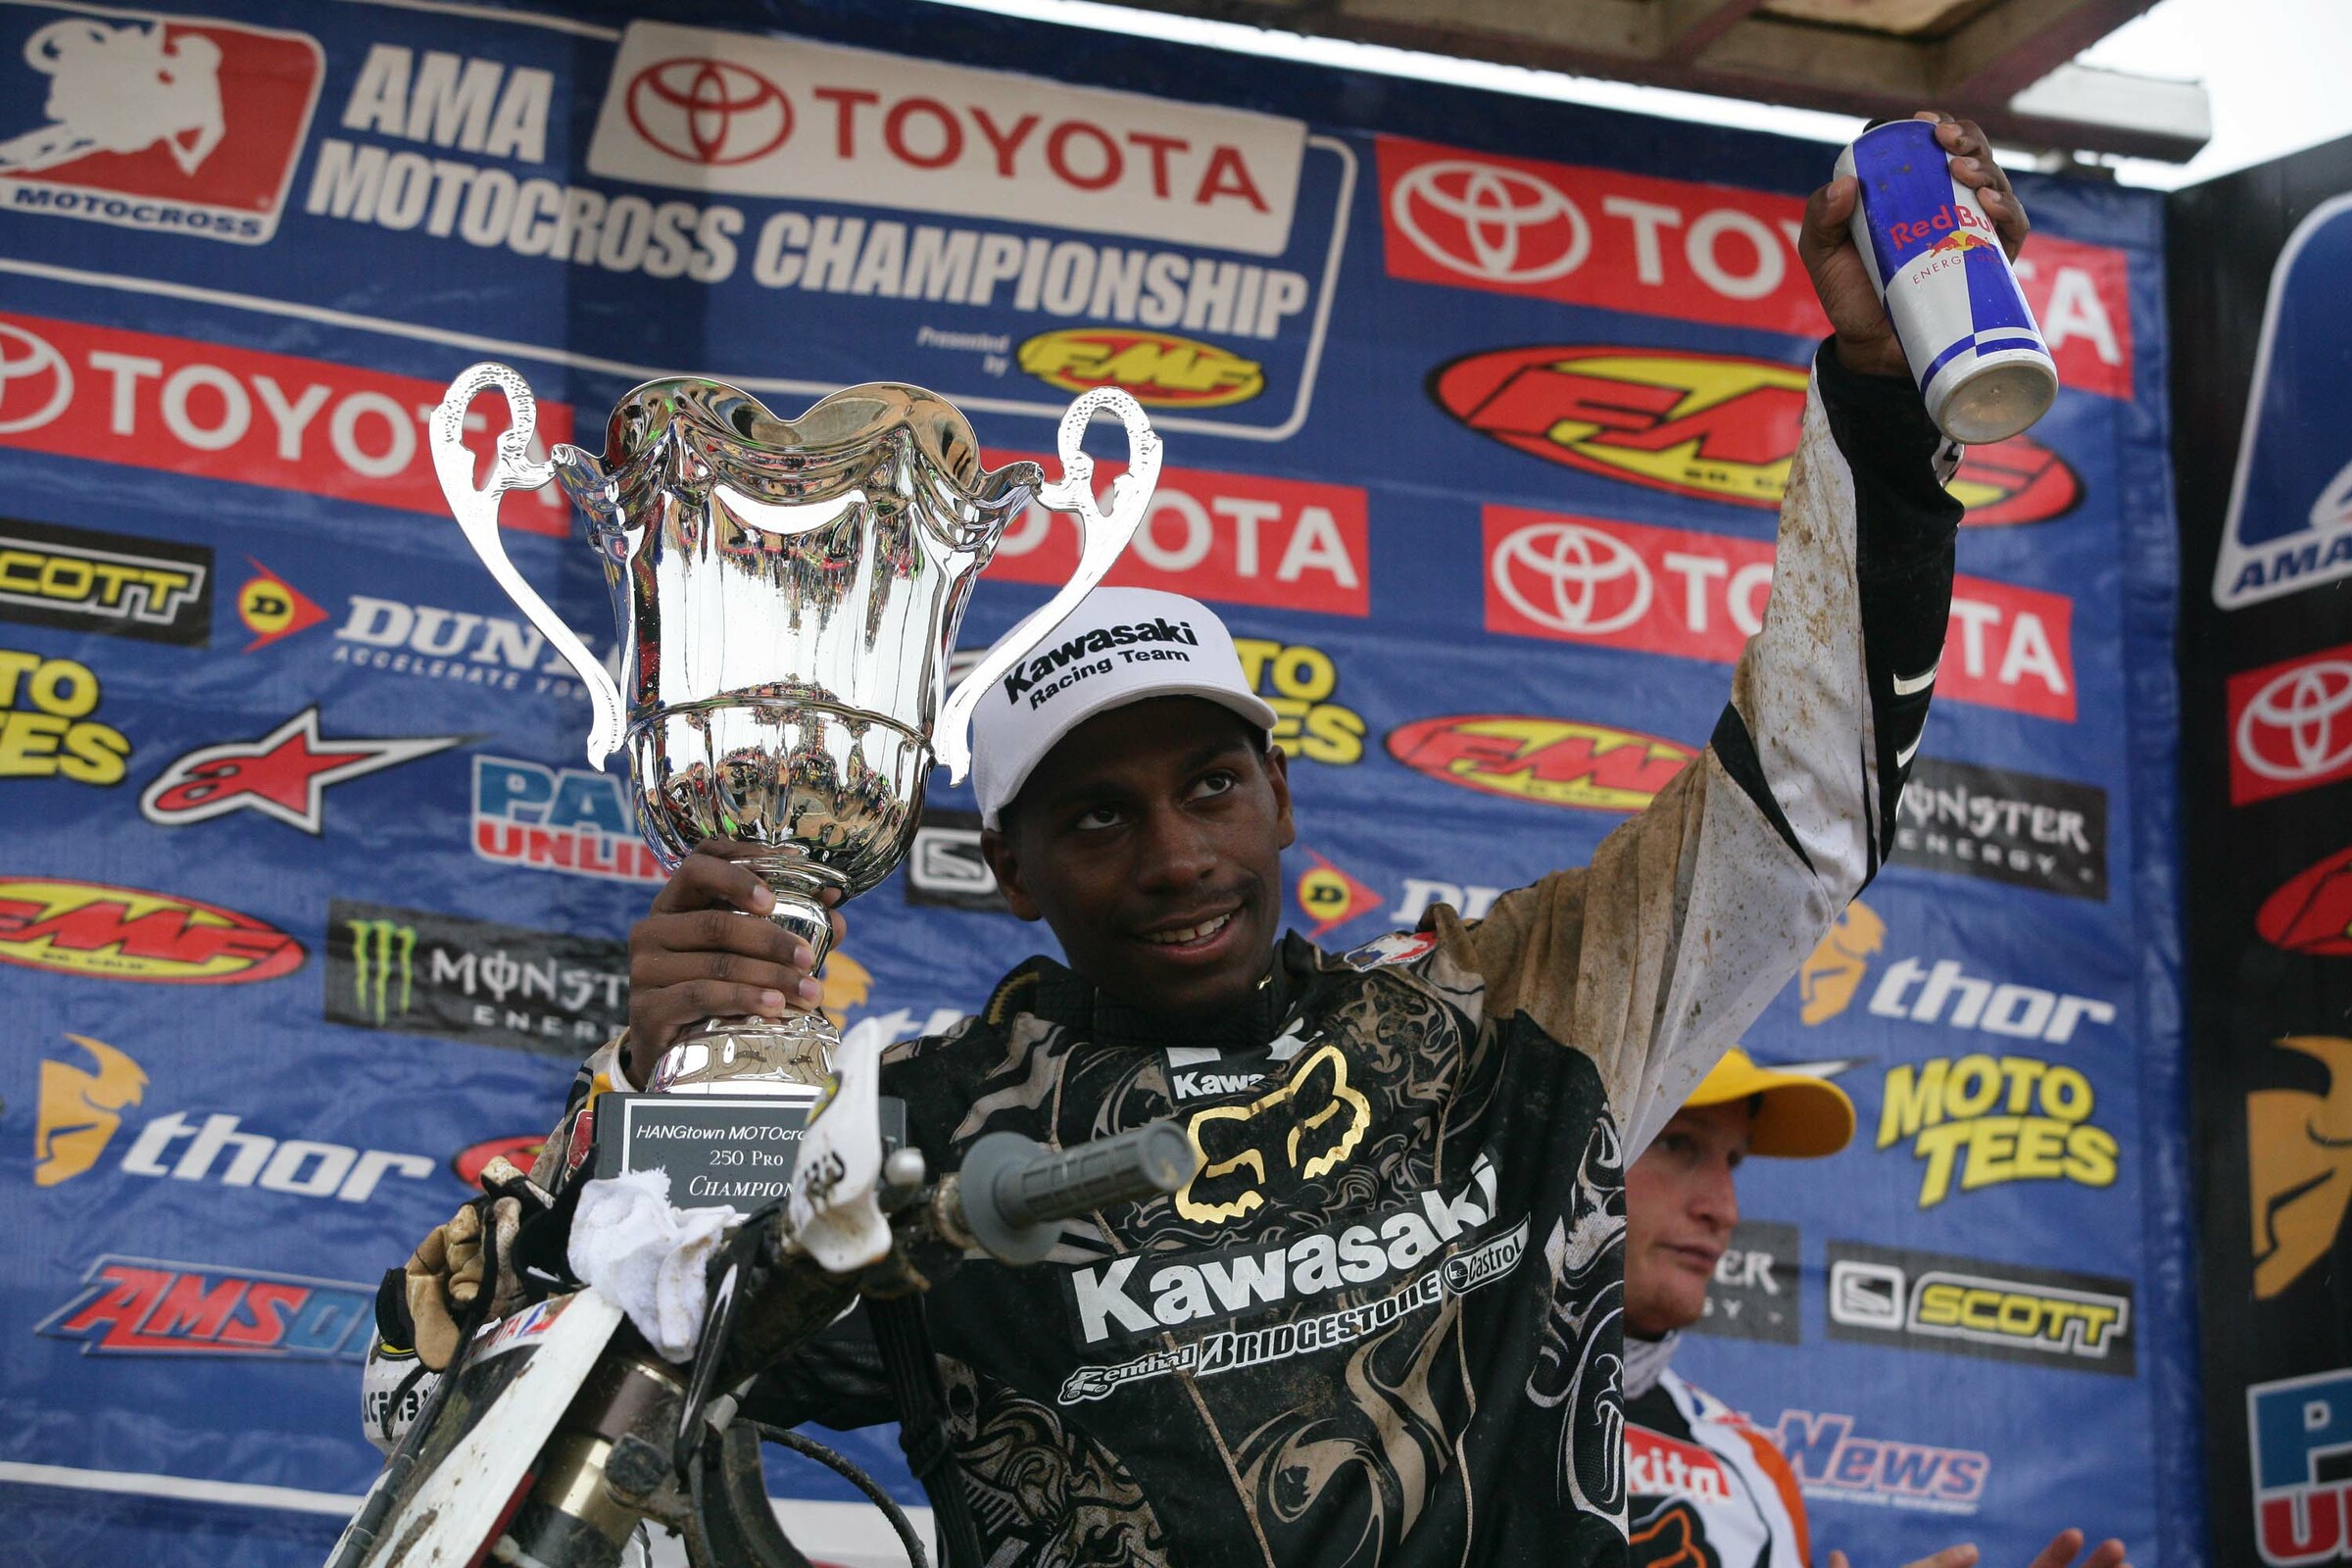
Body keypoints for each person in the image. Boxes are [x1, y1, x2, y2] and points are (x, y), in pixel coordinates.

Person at [385, 113, 2027, 1568]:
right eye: (1100, 815)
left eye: (1210, 787)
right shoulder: (926, 1124)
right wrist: (679, 1090)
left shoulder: (1510, 1028)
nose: (1175, 854)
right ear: (1012, 870)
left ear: (1282, 799)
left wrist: (1881, 397)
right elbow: (456, 1382)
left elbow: (1806, 803)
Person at [1623, 1049, 2132, 1568]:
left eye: (1734, 1160)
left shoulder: (1751, 1467)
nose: (1725, 1210)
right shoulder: (1532, 1420)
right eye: (1677, 1144)